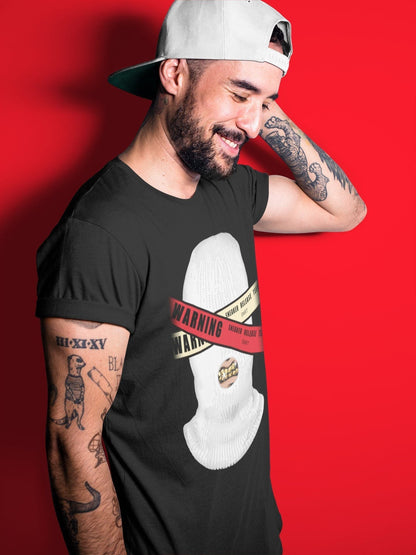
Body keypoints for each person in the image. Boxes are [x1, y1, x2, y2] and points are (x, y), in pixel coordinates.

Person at [36, 1, 366, 554]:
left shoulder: (229, 188)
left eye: (267, 102)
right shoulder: (101, 232)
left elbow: (346, 211)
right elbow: (74, 445)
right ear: (174, 74)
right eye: (239, 93)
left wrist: (258, 104)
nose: (254, 125)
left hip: (256, 538)